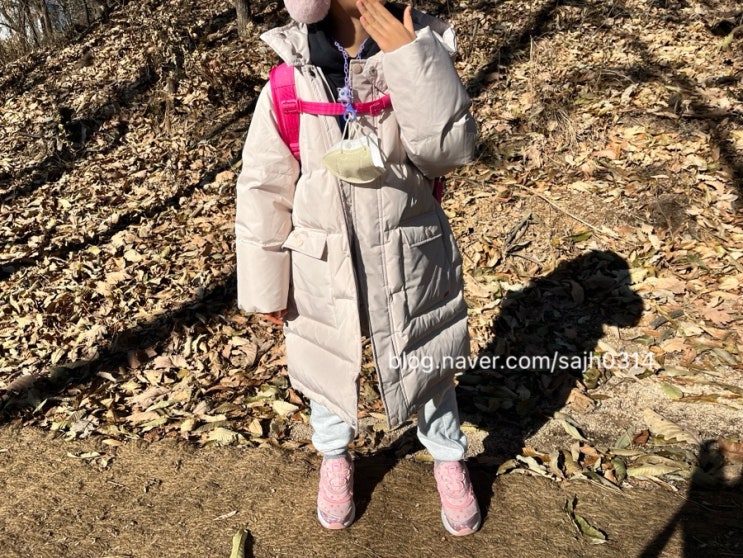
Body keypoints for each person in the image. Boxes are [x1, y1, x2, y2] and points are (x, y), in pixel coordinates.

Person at [234, 0, 480, 536]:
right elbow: (263, 187)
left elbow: (449, 152)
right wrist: (266, 284)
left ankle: (447, 455)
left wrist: (411, 58)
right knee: (326, 363)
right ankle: (334, 455)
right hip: (322, 259)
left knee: (429, 358)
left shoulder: (422, 47)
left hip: (409, 251)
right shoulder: (288, 79)